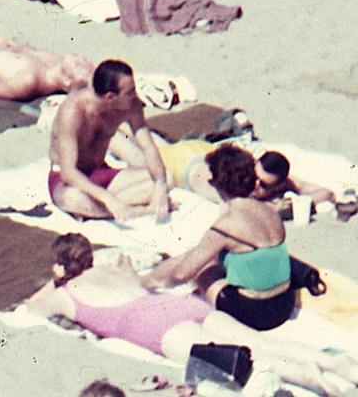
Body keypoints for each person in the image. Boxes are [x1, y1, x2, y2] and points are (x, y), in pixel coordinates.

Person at [29, 234, 353, 394]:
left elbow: (32, 308)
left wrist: (58, 278)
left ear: (61, 265)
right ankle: (332, 362)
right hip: (174, 304)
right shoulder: (112, 269)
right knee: (258, 341)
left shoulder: (65, 295)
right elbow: (143, 277)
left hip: (152, 325)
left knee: (244, 358)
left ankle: (311, 379)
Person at [143, 144, 317, 330]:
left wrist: (164, 285)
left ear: (216, 183)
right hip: (284, 303)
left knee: (204, 267)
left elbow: (181, 274)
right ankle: (147, 279)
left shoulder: (226, 227)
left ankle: (144, 283)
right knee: (212, 256)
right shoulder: (271, 211)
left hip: (256, 314)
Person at [47, 58, 170, 221]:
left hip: (100, 172)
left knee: (167, 177)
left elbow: (148, 146)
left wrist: (160, 184)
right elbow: (68, 173)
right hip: (70, 180)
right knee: (73, 198)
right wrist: (108, 198)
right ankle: (137, 210)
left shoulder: (131, 106)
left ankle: (99, 210)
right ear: (110, 97)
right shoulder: (73, 111)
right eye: (129, 92)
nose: (135, 96)